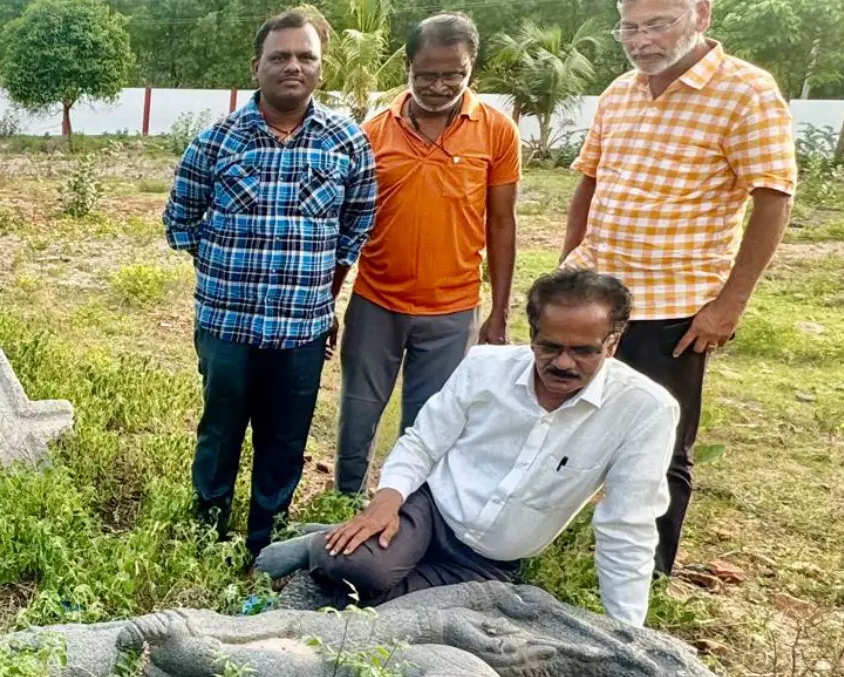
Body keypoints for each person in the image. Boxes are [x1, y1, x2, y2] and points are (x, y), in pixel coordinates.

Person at [258, 269, 680, 626]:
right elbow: (423, 441)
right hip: (430, 512)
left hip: (490, 562)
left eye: (584, 351)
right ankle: (327, 548)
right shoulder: (485, 367)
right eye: (550, 346)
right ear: (532, 334)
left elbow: (628, 526)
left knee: (406, 619)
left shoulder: (644, 410)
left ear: (613, 342)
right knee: (356, 569)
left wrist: (626, 634)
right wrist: (386, 502)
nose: (564, 363)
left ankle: (342, 550)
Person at [562, 0, 797, 576]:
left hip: (674, 306)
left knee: (659, 443)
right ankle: (564, 543)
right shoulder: (620, 92)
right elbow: (590, 182)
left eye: (657, 23)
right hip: (595, 297)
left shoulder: (746, 91)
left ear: (701, 15)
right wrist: (568, 265)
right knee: (573, 420)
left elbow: (773, 197)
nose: (641, 40)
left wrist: (730, 303)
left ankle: (647, 573)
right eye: (630, 27)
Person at [163, 8, 378, 558]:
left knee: (284, 442)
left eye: (306, 57)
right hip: (226, 324)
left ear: (320, 69)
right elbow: (180, 221)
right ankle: (205, 536)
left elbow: (356, 223)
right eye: (280, 56)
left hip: (302, 328)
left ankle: (266, 543)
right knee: (219, 433)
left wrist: (318, 284)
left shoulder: (346, 143)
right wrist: (228, 267)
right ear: (256, 65)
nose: (293, 66)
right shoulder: (216, 142)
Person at [334, 12, 521, 496]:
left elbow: (501, 222)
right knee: (358, 412)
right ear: (408, 69)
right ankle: (346, 499)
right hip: (376, 301)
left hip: (452, 309)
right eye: (426, 75)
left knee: (429, 421)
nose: (438, 86)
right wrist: (328, 301)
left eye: (452, 74)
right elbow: (347, 225)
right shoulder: (373, 131)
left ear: (471, 68)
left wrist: (498, 312)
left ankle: (407, 507)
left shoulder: (497, 132)